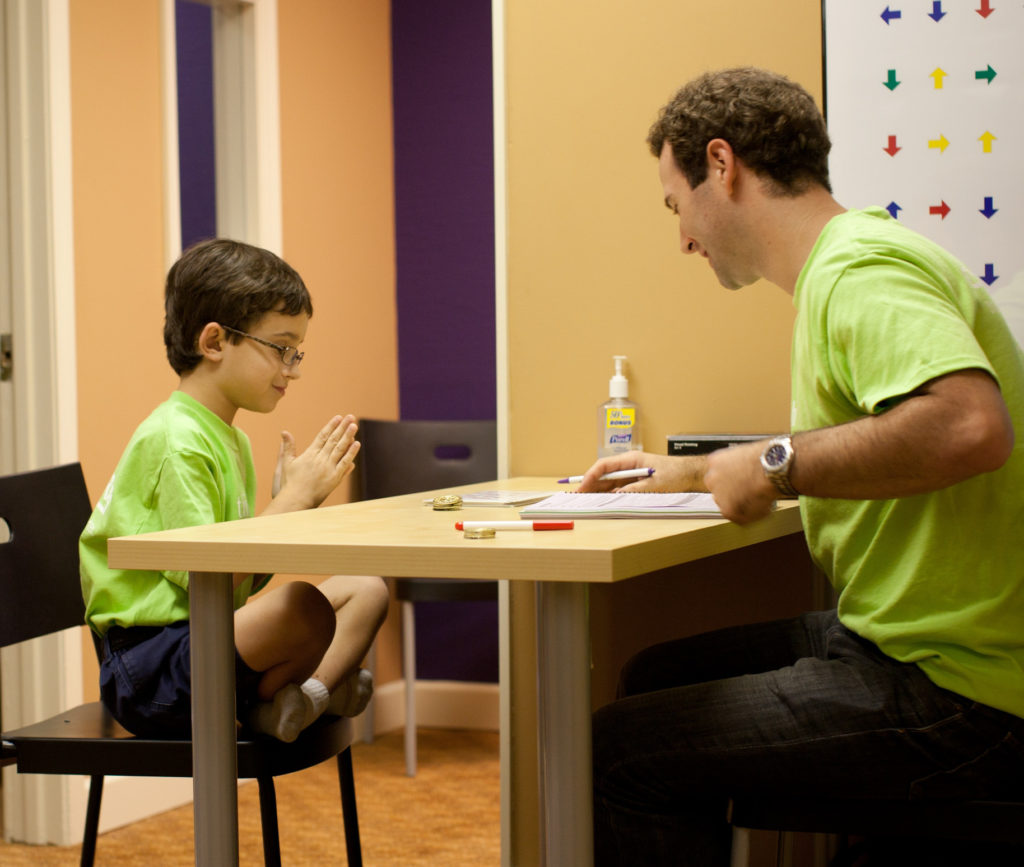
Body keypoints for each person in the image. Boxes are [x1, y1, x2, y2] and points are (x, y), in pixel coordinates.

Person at [583, 68, 1024, 865]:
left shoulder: (858, 272)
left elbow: (969, 426)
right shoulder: (846, 268)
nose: (683, 237)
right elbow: (874, 435)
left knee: (621, 751)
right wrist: (688, 470)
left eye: (676, 206)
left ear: (722, 165)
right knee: (651, 672)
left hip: (965, 689)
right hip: (909, 641)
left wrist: (777, 463)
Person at [80, 238, 390, 744]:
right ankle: (295, 698)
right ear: (215, 342)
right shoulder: (176, 440)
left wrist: (288, 508)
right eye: (281, 348)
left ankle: (296, 702)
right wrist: (290, 503)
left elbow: (244, 579)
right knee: (302, 608)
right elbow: (216, 584)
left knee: (367, 588)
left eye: (297, 351)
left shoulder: (232, 439)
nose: (294, 368)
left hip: (205, 638)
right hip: (150, 670)